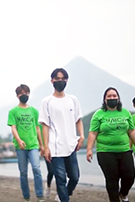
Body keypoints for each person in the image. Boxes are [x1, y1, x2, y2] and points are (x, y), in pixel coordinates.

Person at [86, 87, 135, 202]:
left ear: (118, 98)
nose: (112, 98)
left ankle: (123, 194)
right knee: (112, 179)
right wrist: (89, 149)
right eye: (109, 96)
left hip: (124, 150)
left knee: (130, 176)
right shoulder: (99, 114)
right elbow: (93, 132)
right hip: (105, 151)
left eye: (114, 96)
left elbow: (131, 130)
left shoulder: (125, 112)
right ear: (105, 99)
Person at [39, 68, 85, 202]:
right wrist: (46, 147)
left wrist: (81, 136)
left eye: (63, 79)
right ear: (52, 81)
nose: (60, 81)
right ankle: (64, 198)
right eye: (57, 79)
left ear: (67, 81)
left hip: (71, 145)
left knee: (75, 177)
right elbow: (45, 126)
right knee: (60, 179)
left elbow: (78, 120)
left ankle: (63, 195)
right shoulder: (46, 101)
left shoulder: (73, 99)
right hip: (55, 148)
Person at [7, 84, 45, 202]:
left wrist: (42, 145)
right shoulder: (13, 111)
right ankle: (26, 197)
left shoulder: (34, 111)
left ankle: (40, 196)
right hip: (20, 147)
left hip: (33, 145)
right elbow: (13, 128)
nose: (24, 95)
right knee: (23, 172)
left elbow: (38, 128)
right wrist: (18, 140)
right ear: (17, 95)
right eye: (21, 93)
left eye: (26, 92)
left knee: (36, 169)